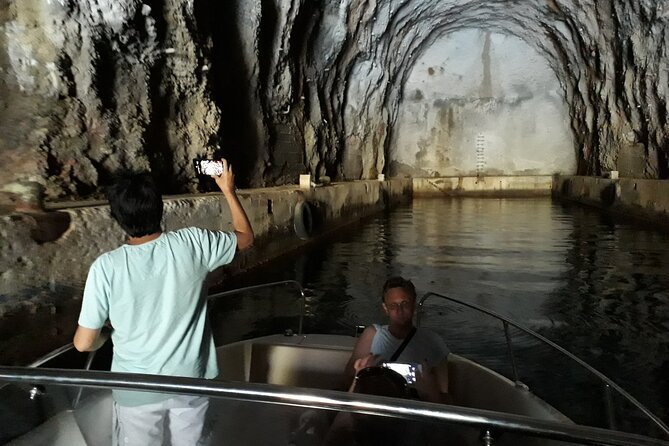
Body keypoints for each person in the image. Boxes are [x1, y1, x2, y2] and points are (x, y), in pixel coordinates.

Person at [73, 159, 254, 446]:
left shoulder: (105, 267)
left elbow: (83, 343)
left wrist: (108, 334)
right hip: (189, 381)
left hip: (137, 389)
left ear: (117, 217)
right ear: (159, 207)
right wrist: (228, 191)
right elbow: (245, 238)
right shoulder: (193, 242)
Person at [344, 276, 450, 403]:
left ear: (413, 304)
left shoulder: (433, 341)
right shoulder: (372, 335)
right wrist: (363, 374)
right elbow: (348, 379)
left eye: (404, 303)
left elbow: (445, 394)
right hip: (376, 406)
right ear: (385, 308)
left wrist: (429, 391)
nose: (399, 310)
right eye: (393, 305)